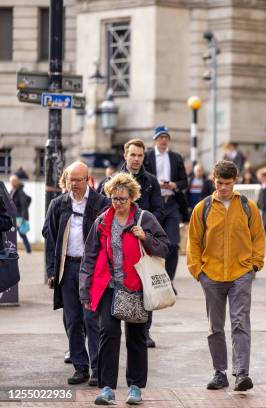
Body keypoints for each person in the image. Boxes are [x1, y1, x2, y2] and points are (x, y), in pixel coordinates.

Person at [79, 173, 169, 405]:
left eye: (122, 199)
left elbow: (165, 247)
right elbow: (89, 257)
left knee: (136, 338)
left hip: (137, 286)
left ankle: (135, 388)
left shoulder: (144, 218)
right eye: (114, 198)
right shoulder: (102, 221)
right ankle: (107, 388)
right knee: (108, 333)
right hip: (109, 286)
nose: (117, 203)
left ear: (132, 198)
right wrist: (85, 290)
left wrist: (146, 238)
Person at [187, 160, 265, 392]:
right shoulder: (203, 208)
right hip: (210, 275)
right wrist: (198, 271)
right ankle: (219, 373)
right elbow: (193, 241)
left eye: (227, 184)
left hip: (241, 273)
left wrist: (254, 266)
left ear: (235, 182)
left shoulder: (248, 207)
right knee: (215, 327)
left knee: (240, 323)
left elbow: (258, 238)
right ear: (213, 180)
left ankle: (241, 373)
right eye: (219, 183)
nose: (223, 188)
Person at [42, 162, 110, 386]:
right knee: (72, 320)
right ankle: (80, 367)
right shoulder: (58, 204)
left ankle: (97, 369)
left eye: (78, 180)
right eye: (70, 179)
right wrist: (52, 271)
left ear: (87, 179)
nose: (74, 184)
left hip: (91, 269)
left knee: (92, 319)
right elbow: (50, 237)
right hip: (67, 268)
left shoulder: (101, 204)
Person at [100, 138, 164, 347]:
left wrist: (145, 228)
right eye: (132, 154)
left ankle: (144, 331)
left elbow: (159, 210)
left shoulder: (151, 181)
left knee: (146, 284)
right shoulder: (112, 180)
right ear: (125, 155)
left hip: (141, 239)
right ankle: (113, 332)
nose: (136, 159)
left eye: (140, 155)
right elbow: (103, 210)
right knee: (116, 286)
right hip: (117, 242)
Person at [144, 126, 188, 324]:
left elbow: (185, 182)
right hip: (155, 204)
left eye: (166, 137)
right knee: (152, 244)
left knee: (172, 244)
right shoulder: (146, 156)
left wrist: (174, 185)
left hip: (171, 205)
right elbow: (143, 176)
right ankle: (152, 279)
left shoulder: (177, 158)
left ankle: (167, 280)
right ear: (155, 140)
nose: (163, 140)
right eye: (160, 137)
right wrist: (156, 184)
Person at [9, 175, 31, 253]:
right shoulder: (12, 190)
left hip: (18, 216)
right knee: (13, 233)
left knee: (21, 233)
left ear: (16, 182)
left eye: (12, 182)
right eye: (10, 182)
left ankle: (28, 249)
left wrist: (23, 217)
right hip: (13, 215)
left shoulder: (20, 192)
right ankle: (14, 249)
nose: (11, 183)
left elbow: (24, 204)